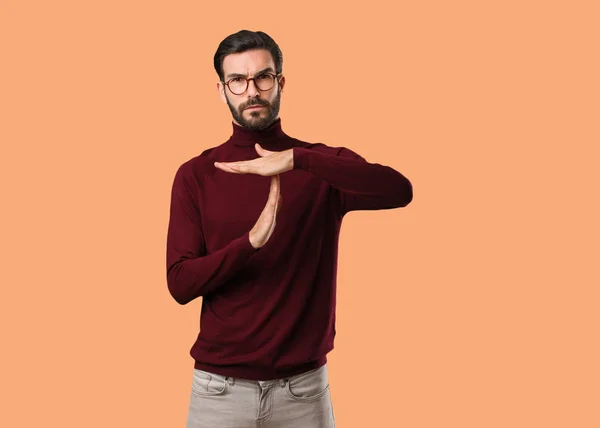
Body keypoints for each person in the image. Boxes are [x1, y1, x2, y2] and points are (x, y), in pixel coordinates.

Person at [166, 29, 413, 428]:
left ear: (280, 82)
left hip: (303, 392)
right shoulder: (196, 175)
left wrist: (297, 160)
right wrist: (249, 244)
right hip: (219, 393)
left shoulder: (318, 166)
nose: (252, 91)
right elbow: (179, 283)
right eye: (238, 80)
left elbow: (399, 190)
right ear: (222, 89)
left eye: (263, 77)